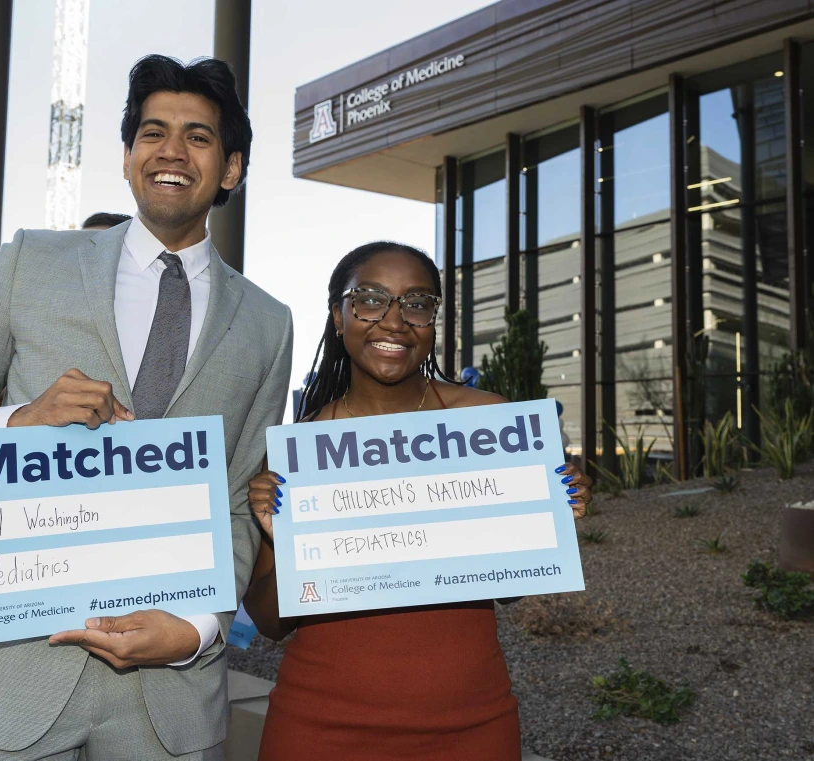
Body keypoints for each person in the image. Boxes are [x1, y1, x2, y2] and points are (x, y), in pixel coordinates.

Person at [0, 54, 292, 760]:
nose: (171, 150)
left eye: (197, 137)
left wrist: (196, 628)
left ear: (230, 168)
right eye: (152, 132)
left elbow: (235, 503)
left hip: (165, 707)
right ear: (130, 155)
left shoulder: (268, 323)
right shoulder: (28, 263)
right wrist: (19, 420)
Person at [243, 242, 593, 761]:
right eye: (369, 299)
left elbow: (511, 590)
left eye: (417, 303)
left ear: (433, 321)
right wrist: (284, 537)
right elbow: (271, 624)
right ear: (339, 317)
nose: (394, 321)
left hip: (471, 727)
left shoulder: (488, 422)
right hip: (320, 729)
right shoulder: (299, 451)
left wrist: (551, 512)